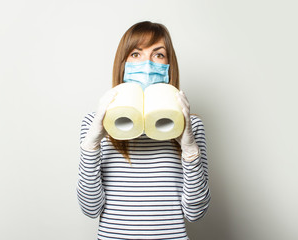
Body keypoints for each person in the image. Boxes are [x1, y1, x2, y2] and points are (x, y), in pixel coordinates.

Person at [77, 21, 210, 240]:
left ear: (169, 65)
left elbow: (196, 213)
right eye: (136, 54)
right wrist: (92, 142)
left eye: (158, 55)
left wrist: (189, 147)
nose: (147, 64)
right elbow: (90, 209)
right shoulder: (95, 124)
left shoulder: (191, 126)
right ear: (123, 63)